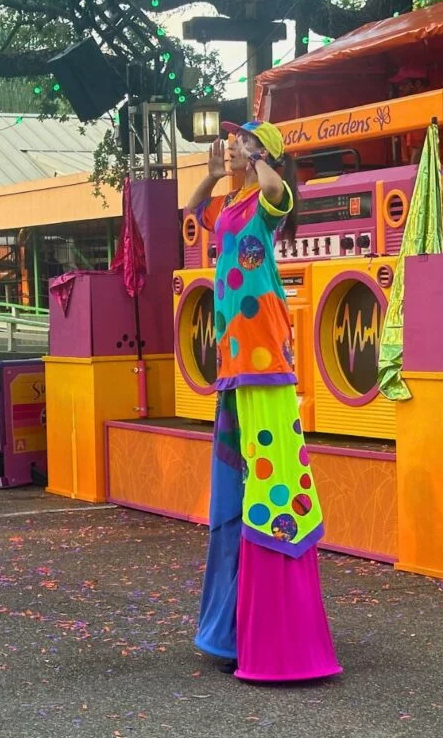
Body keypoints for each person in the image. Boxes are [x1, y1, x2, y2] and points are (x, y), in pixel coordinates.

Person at [185, 120, 341, 682]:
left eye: (237, 143)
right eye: (229, 143)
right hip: (233, 363)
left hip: (265, 359)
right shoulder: (230, 208)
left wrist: (258, 156)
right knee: (236, 474)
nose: (228, 150)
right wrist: (210, 177)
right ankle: (231, 629)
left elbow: (278, 190)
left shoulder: (266, 204)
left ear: (260, 154)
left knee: (271, 475)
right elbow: (194, 211)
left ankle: (273, 622)